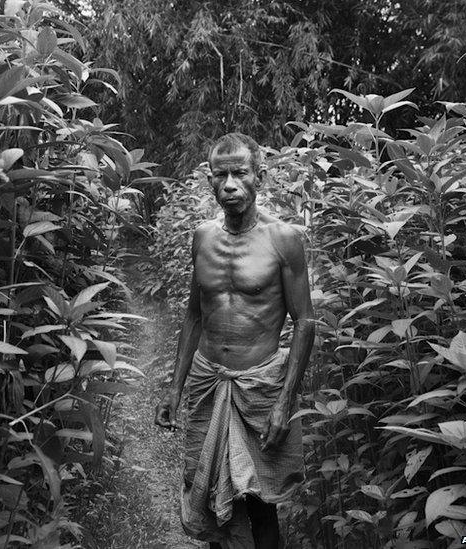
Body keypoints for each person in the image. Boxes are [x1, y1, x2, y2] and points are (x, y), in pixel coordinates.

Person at [154, 132, 315, 548]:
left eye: (240, 173)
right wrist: (175, 388)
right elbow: (194, 314)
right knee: (209, 495)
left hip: (259, 386)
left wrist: (285, 401)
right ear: (210, 180)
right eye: (220, 174)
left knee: (261, 503)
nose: (230, 184)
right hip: (208, 381)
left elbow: (306, 322)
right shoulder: (202, 238)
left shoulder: (283, 240)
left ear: (258, 176)